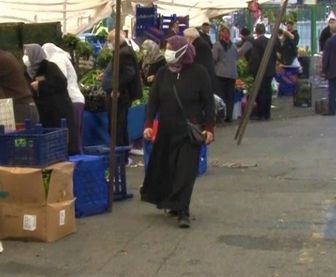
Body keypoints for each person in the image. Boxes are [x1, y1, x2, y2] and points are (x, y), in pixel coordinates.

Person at [141, 35, 215, 228]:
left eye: (171, 48)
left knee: (185, 172)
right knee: (170, 170)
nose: (167, 52)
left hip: (189, 132)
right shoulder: (163, 73)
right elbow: (153, 101)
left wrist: (209, 128)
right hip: (166, 131)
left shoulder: (199, 73)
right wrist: (148, 124)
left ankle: (183, 211)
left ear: (182, 51)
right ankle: (173, 204)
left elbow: (208, 102)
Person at [23, 44, 80, 155]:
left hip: (58, 108)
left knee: (63, 136)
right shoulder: (27, 72)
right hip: (43, 111)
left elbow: (61, 83)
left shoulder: (50, 67)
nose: (25, 57)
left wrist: (41, 85)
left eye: (27, 54)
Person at [42, 43, 85, 152]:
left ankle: (77, 157)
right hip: (76, 99)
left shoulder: (57, 59)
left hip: (73, 99)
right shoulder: (60, 57)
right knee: (75, 132)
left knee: (72, 133)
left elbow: (61, 78)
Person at [102, 30, 140, 146]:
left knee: (117, 125)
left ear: (116, 39)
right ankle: (120, 150)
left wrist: (117, 88)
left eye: (109, 41)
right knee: (117, 125)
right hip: (120, 94)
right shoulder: (121, 51)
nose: (108, 43)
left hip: (121, 95)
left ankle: (120, 151)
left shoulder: (124, 53)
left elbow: (129, 73)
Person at [248, 24, 280, 120]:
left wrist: (251, 69)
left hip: (260, 70)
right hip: (270, 70)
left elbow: (255, 58)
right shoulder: (270, 41)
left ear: (256, 31)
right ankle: (267, 113)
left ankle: (261, 113)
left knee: (260, 91)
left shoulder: (256, 42)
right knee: (268, 91)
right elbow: (274, 56)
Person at [212, 25, 238, 123]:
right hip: (232, 74)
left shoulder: (217, 45)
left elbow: (214, 58)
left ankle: (221, 116)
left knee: (221, 96)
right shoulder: (233, 46)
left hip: (221, 74)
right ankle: (229, 116)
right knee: (230, 96)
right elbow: (236, 57)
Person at [186, 28, 218, 94]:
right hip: (207, 74)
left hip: (205, 75)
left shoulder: (199, 45)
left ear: (190, 37)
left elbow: (197, 61)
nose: (185, 39)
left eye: (185, 37)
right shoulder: (200, 42)